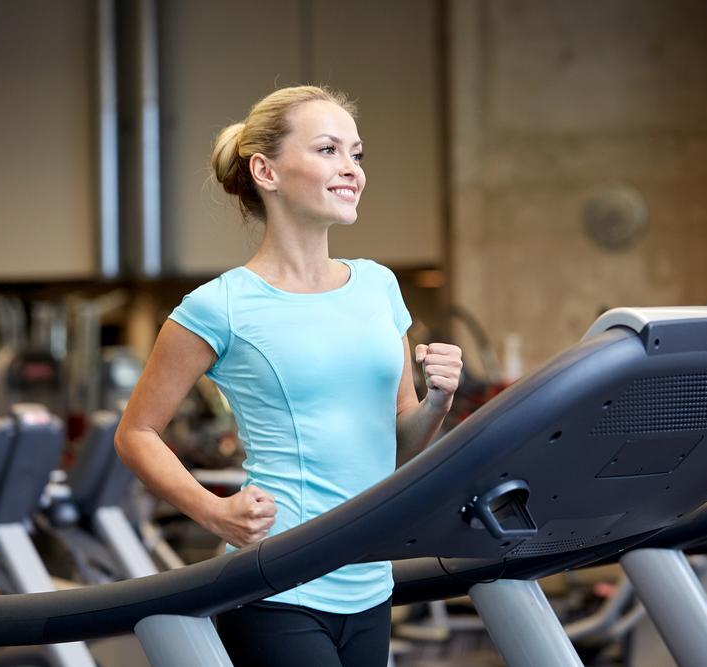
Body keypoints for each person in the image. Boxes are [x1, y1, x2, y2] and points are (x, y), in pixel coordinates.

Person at [114, 85, 462, 666]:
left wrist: (438, 402)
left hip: (370, 583)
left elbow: (398, 439)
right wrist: (212, 509)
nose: (351, 169)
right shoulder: (218, 306)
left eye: (356, 153)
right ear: (265, 171)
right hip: (276, 584)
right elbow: (136, 433)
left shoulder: (379, 286)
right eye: (329, 150)